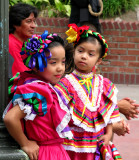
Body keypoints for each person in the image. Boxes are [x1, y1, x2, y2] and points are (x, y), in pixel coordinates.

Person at [55, 23, 123, 159]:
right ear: (74, 51)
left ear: (98, 61)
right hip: (71, 144)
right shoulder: (65, 83)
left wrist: (109, 134)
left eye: (90, 54)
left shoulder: (105, 85)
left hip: (97, 143)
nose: (84, 56)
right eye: (80, 51)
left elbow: (110, 113)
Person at [3, 31, 73, 160]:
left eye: (62, 62)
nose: (60, 68)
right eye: (53, 63)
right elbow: (10, 118)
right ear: (35, 65)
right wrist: (25, 143)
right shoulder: (40, 89)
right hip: (47, 153)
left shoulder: (36, 84)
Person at [9, 2, 38, 77]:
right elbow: (22, 73)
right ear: (16, 24)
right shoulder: (10, 43)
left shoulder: (30, 41)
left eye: (34, 21)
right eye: (29, 21)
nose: (34, 26)